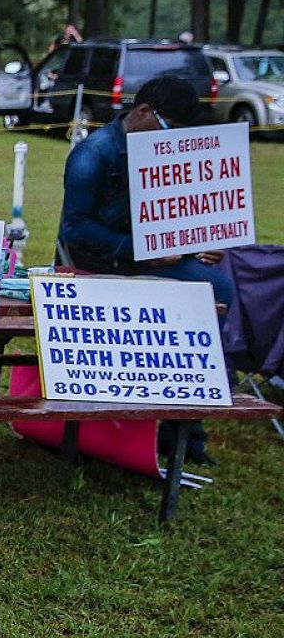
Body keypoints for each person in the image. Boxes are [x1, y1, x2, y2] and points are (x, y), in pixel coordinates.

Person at [58, 75, 231, 464]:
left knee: (217, 290)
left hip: (155, 256)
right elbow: (75, 228)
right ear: (142, 112)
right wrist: (141, 252)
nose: (171, 137)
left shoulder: (167, 150)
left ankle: (183, 427)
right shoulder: (93, 154)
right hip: (102, 261)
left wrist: (201, 240)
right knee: (182, 298)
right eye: (168, 127)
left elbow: (178, 208)